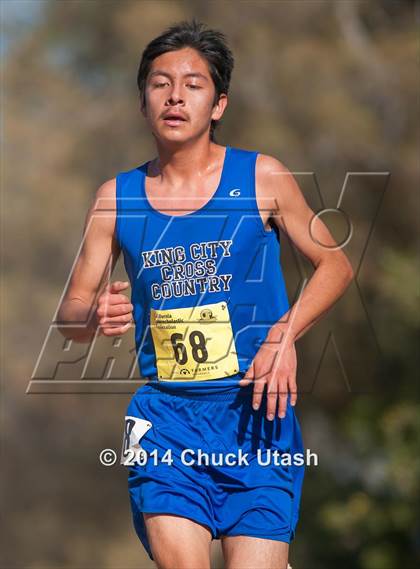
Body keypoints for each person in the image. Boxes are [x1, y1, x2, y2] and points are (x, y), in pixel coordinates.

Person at [58, 19, 353, 569]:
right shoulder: (115, 199)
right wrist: (93, 314)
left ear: (218, 104)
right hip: (167, 420)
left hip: (257, 415)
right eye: (160, 83)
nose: (174, 96)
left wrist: (283, 336)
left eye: (193, 85)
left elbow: (334, 264)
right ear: (142, 102)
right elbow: (71, 313)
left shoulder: (262, 177)